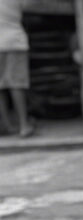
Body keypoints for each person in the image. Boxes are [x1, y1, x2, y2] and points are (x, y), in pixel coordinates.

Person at [0, 0, 34, 137]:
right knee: (17, 84)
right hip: (14, 40)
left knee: (0, 85)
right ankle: (23, 125)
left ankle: (6, 124)